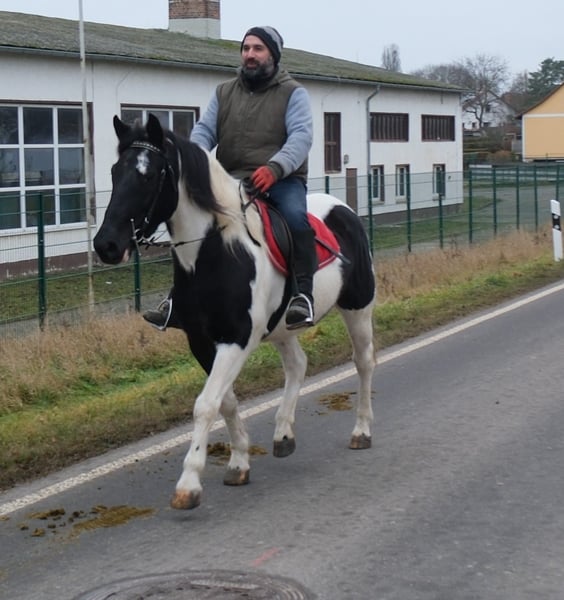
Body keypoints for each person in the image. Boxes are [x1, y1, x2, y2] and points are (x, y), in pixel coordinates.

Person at [144, 25, 316, 331]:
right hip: (230, 177)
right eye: (246, 48)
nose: (250, 55)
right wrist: (193, 159)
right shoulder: (224, 92)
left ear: (273, 55)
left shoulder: (293, 93)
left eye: (258, 49)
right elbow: (205, 130)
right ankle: (177, 300)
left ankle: (302, 296)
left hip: (281, 178)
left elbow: (301, 137)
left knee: (295, 219)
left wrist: (275, 168)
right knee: (192, 223)